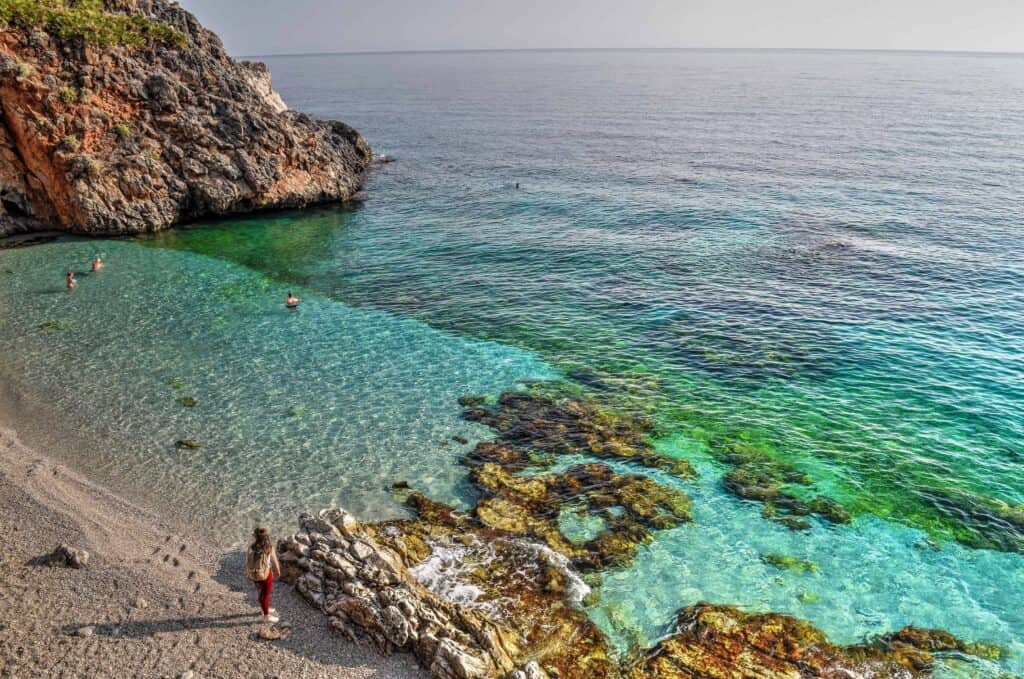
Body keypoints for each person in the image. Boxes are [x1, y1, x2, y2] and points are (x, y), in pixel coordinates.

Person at [245, 526, 281, 623]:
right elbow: (274, 561)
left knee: (261, 592)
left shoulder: (251, 547)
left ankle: (264, 608)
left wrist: (248, 573)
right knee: (265, 594)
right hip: (265, 575)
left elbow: (248, 561)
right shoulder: (269, 547)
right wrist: (277, 571)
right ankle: (266, 616)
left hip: (254, 574)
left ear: (255, 536)